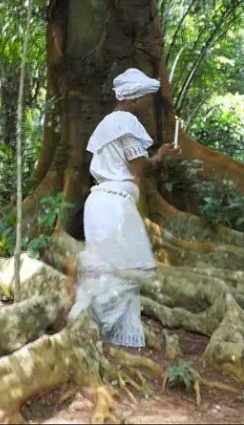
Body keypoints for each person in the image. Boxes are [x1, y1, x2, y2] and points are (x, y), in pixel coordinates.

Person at [68, 68, 178, 347]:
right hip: (113, 207)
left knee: (109, 269)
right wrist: (161, 156)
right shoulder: (127, 123)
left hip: (100, 204)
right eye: (144, 98)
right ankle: (91, 329)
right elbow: (139, 168)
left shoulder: (106, 123)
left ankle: (102, 333)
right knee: (128, 269)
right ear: (133, 98)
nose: (147, 103)